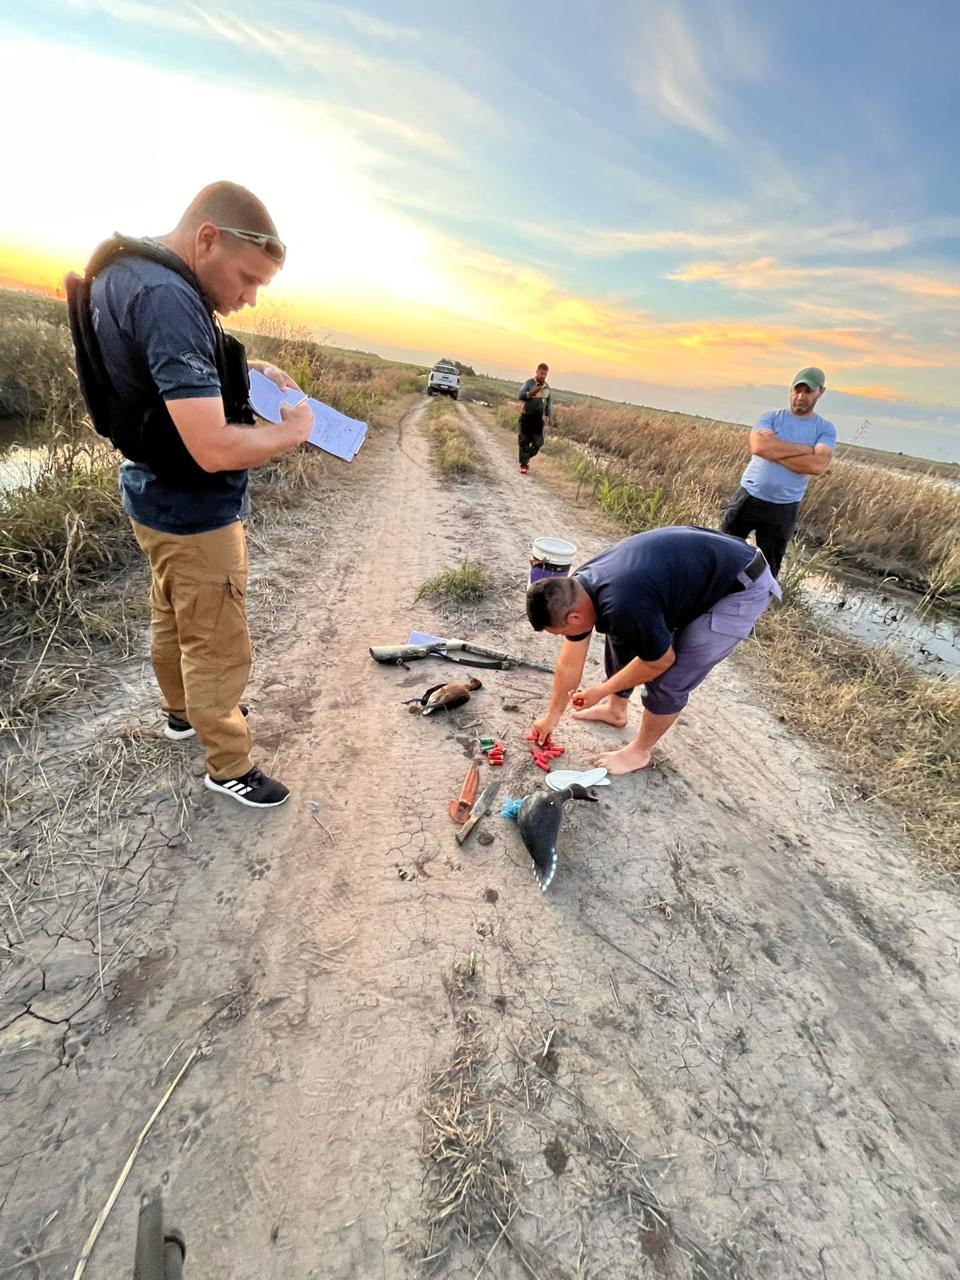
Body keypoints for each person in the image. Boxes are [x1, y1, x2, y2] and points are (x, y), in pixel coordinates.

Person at [69, 181, 315, 808]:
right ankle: (228, 764)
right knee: (218, 641)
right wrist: (291, 433)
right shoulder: (168, 297)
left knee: (174, 613)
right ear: (208, 239)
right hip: (194, 508)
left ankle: (183, 712)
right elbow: (213, 448)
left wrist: (248, 371)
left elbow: (159, 373)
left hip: (151, 496)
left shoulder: (131, 272)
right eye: (247, 277)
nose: (250, 298)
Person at [525, 527, 781, 775]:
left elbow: (659, 662)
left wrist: (601, 690)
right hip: (700, 568)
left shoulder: (625, 604)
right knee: (622, 630)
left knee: (672, 678)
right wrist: (552, 716)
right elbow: (569, 662)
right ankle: (615, 711)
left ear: (573, 617)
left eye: (561, 632)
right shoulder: (578, 590)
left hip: (742, 585)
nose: (566, 637)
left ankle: (639, 752)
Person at [720, 367, 836, 579]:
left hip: (783, 508)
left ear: (820, 392)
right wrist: (805, 449)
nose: (800, 396)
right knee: (721, 553)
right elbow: (759, 447)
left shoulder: (824, 429)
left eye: (808, 391)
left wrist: (775, 450)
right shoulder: (770, 418)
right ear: (791, 389)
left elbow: (817, 465)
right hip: (749, 497)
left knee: (768, 570)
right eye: (797, 390)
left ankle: (754, 599)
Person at [517, 362, 551, 474]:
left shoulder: (546, 387)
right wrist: (533, 392)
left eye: (545, 374)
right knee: (524, 441)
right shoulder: (529, 383)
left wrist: (548, 415)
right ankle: (524, 465)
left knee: (538, 443)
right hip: (526, 416)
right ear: (536, 372)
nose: (543, 376)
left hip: (538, 419)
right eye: (541, 373)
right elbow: (520, 396)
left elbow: (548, 402)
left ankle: (525, 457)